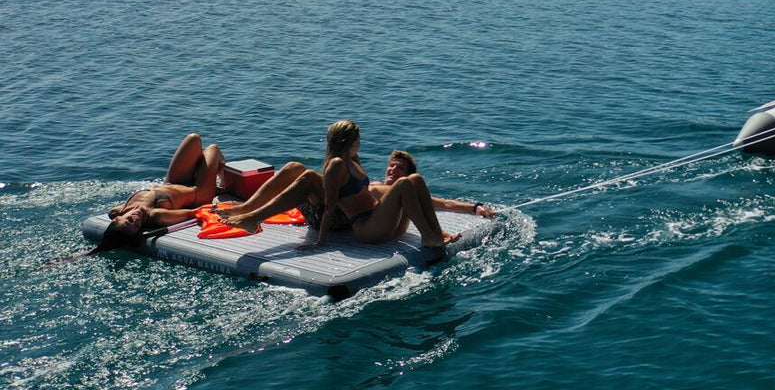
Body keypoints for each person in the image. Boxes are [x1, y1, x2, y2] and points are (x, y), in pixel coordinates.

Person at [218, 120, 458, 251]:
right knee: (406, 184)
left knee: (414, 179)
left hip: (378, 220)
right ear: (351, 141)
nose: (361, 142)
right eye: (358, 139)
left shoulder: (353, 160)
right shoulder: (335, 166)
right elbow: (330, 208)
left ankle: (433, 235)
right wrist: (319, 243)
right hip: (366, 227)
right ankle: (251, 214)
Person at [220, 148, 496, 220]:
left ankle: (251, 215)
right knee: (293, 167)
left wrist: (474, 207)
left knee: (305, 176)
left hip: (340, 218)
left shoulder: (401, 191)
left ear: (408, 176)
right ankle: (245, 207)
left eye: (399, 168)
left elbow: (438, 203)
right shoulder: (371, 181)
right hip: (328, 208)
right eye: (391, 165)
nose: (392, 169)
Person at [97, 133, 225, 251]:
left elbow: (114, 219)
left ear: (117, 219)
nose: (136, 219)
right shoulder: (157, 215)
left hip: (174, 182)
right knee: (213, 149)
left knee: (194, 139)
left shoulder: (116, 212)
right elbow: (194, 212)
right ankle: (220, 180)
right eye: (136, 225)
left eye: (130, 220)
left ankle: (204, 171)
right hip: (199, 193)